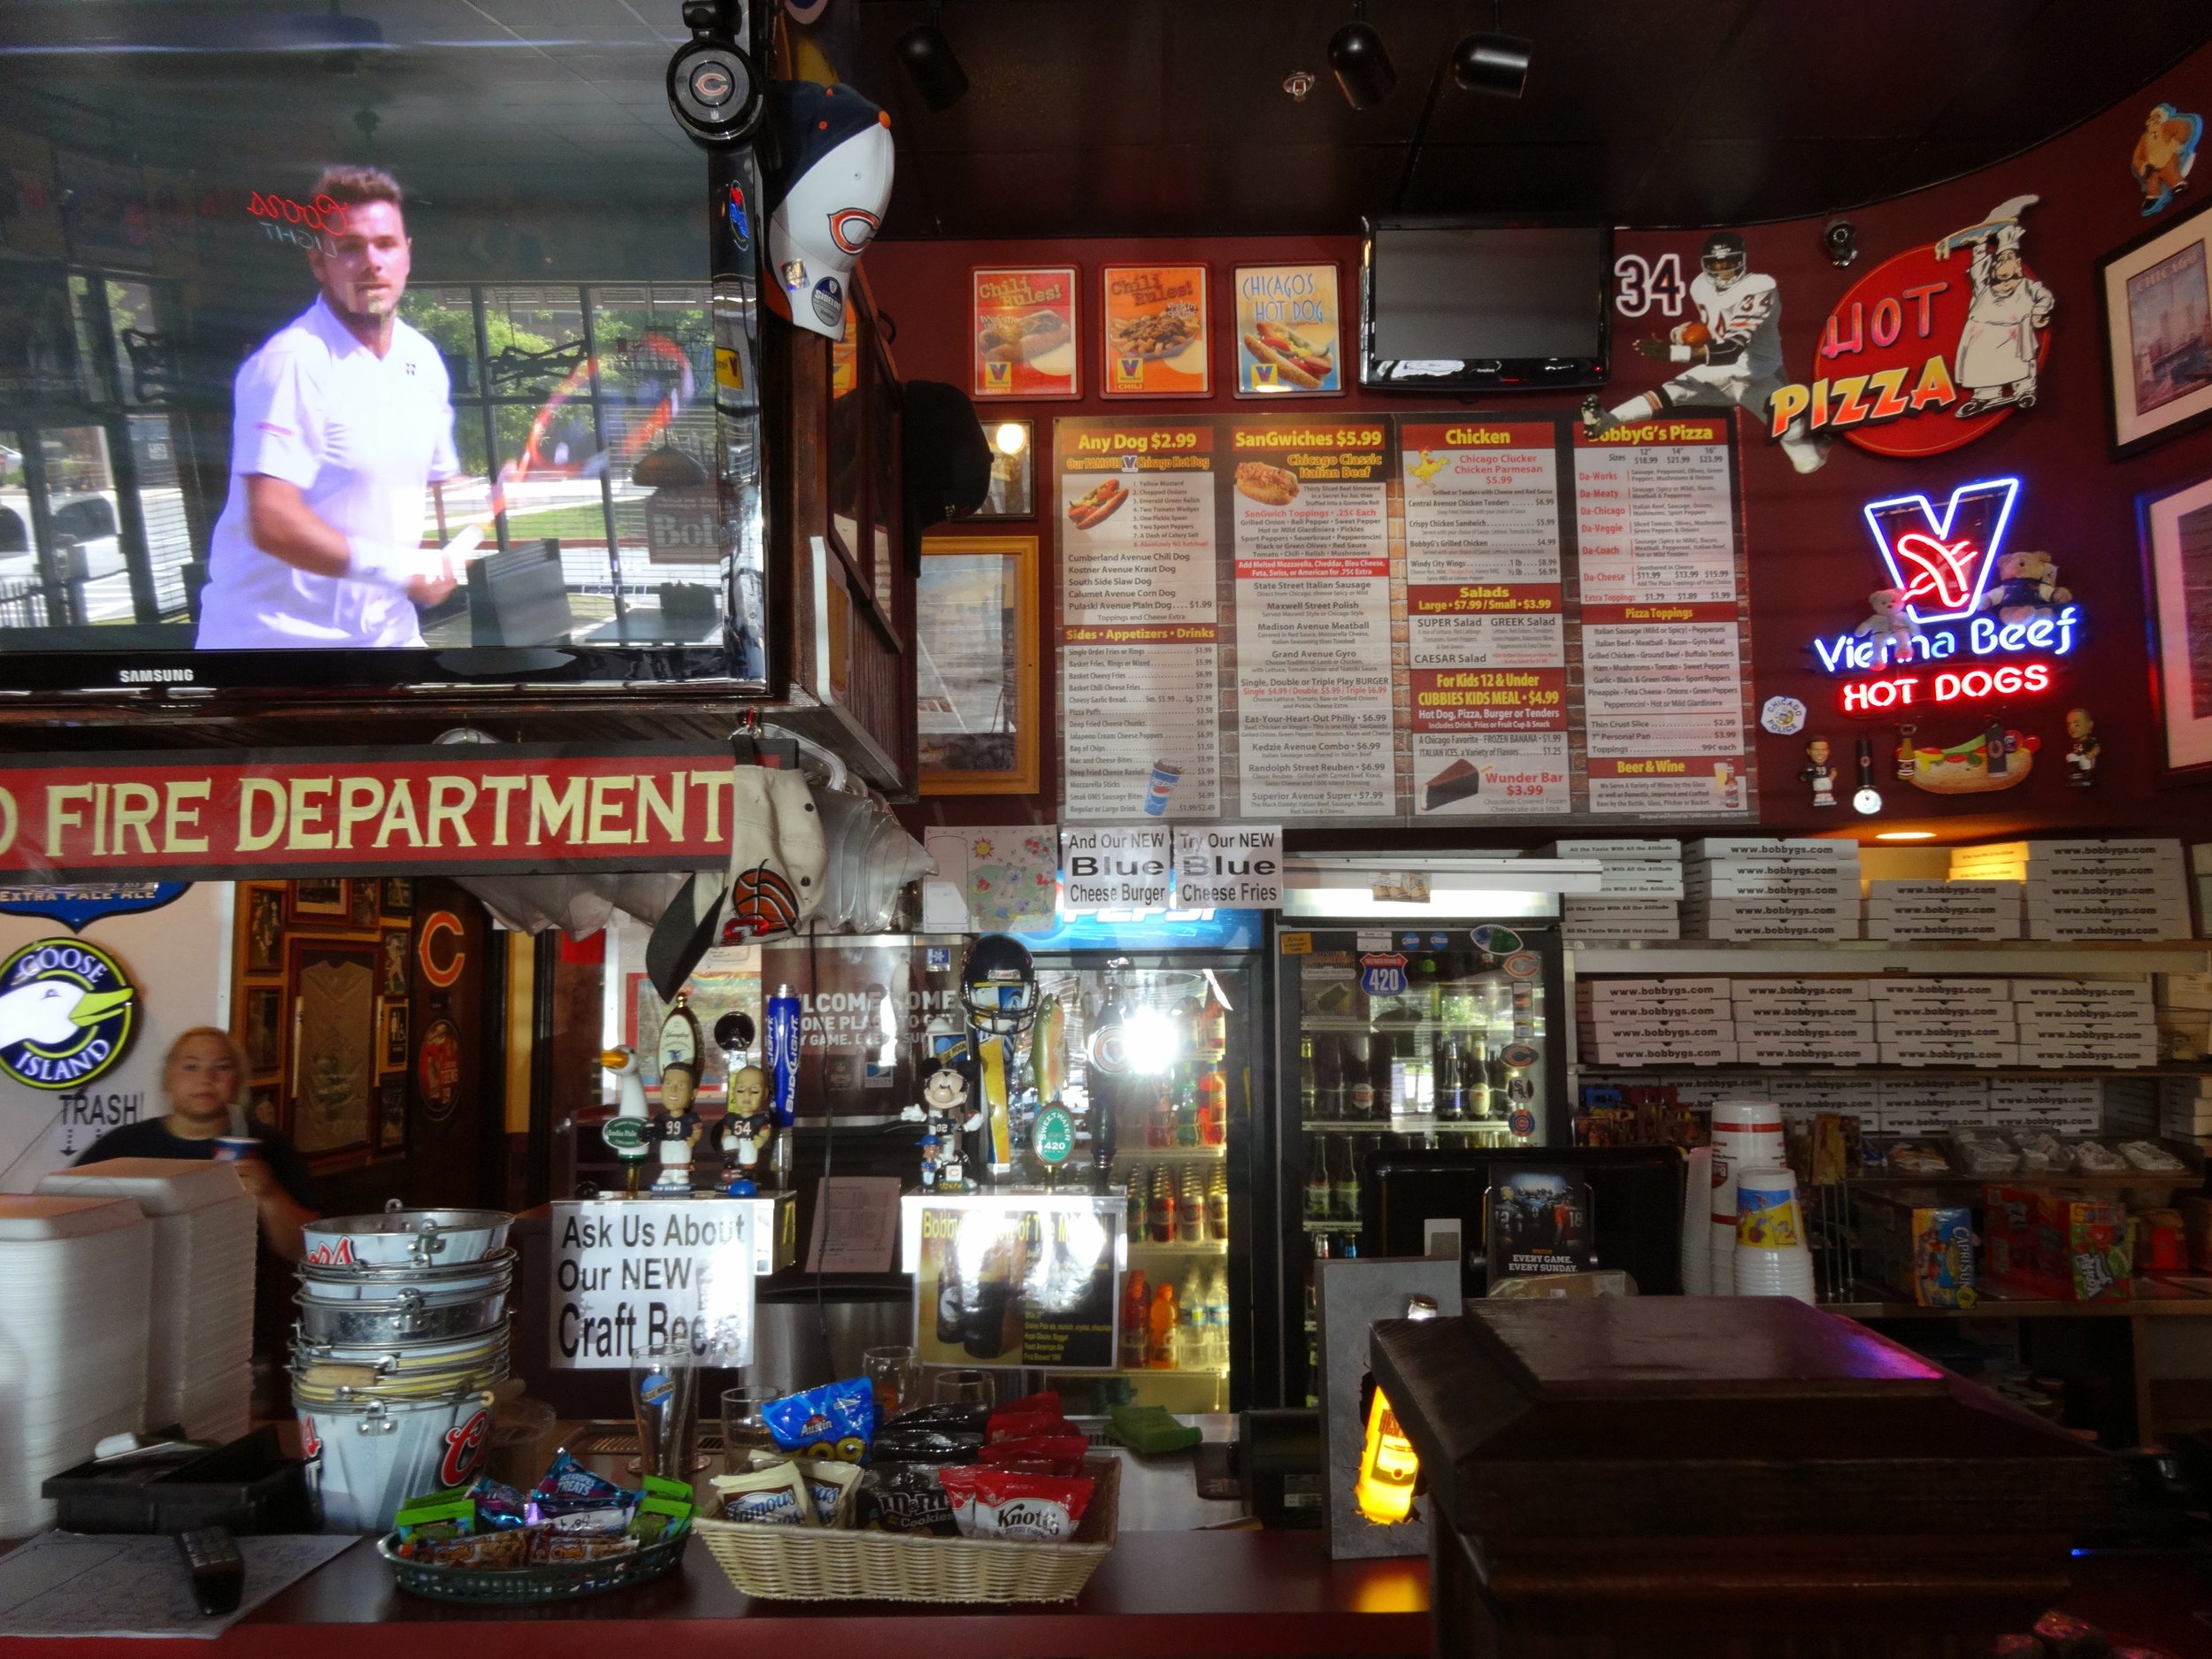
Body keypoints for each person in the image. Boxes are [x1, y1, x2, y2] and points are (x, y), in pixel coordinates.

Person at [196, 165, 461, 649]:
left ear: (407, 255)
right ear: (319, 262)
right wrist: (401, 570)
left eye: (385, 244)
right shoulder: (291, 362)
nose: (372, 262)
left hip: (388, 638)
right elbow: (273, 522)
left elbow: (429, 484)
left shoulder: (422, 358)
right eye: (350, 247)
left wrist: (501, 491)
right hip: (277, 653)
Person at [1582, 230, 1827, 475]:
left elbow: (1732, 348)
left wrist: (1674, 352)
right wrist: (1683, 333)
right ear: (1705, 264)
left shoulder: (1759, 287)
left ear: (1742, 260)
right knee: (1671, 391)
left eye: (1729, 262)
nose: (1722, 270)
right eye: (1716, 263)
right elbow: (1713, 329)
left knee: (1805, 459)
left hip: (1757, 375)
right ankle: (1608, 421)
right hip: (1720, 370)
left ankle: (1815, 447)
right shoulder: (1700, 286)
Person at [73, 1026, 318, 1261]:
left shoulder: (269, 1145)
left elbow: (305, 1250)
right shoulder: (122, 1145)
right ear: (168, 1080)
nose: (206, 1078)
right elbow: (68, 1218)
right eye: (191, 1067)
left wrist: (270, 1194)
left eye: (221, 1067)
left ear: (238, 1082)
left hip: (237, 1295)